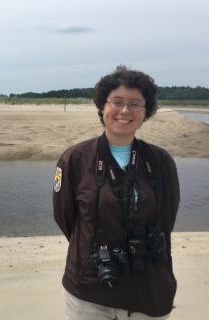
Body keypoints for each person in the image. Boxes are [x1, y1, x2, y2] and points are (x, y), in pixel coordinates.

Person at [53, 66, 180, 320]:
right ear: (102, 106)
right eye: (117, 102)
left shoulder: (160, 161)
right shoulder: (75, 159)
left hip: (149, 289)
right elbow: (65, 218)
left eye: (135, 104)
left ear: (146, 111)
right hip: (91, 289)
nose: (125, 111)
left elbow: (167, 219)